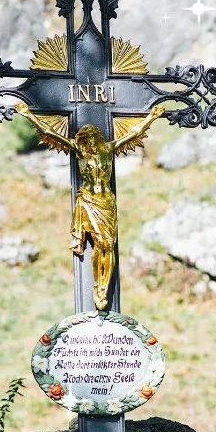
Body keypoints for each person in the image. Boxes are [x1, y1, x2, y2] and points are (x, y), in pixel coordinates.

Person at [16, 102, 165, 310]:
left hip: (106, 203)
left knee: (108, 244)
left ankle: (104, 286)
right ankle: (98, 286)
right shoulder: (79, 150)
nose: (90, 144)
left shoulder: (108, 149)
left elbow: (134, 133)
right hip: (89, 201)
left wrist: (152, 117)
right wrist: (28, 115)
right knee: (99, 244)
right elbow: (49, 131)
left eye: (92, 139)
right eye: (86, 140)